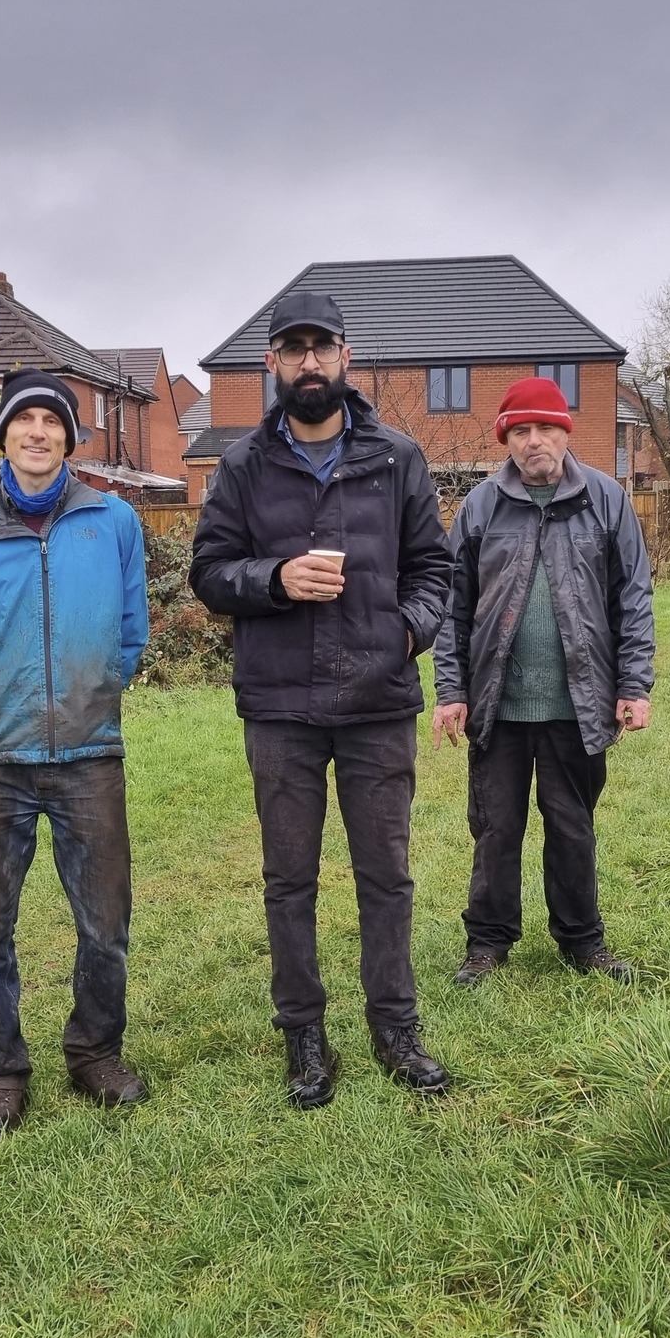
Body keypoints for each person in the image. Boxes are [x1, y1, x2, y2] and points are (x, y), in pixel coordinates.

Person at [188, 291, 453, 1109]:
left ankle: (395, 1025)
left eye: (322, 347)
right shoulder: (241, 466)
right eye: (293, 348)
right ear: (272, 362)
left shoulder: (397, 457)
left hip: (378, 702)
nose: (309, 362)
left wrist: (403, 634)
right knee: (288, 879)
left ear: (346, 357)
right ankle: (303, 1032)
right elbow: (208, 573)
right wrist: (272, 579)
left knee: (387, 875)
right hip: (279, 706)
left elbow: (435, 572)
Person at [0, 369, 150, 1140]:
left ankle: (95, 1053)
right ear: (1, 435)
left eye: (52, 422)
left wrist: (93, 692)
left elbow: (130, 628)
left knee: (105, 922)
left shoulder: (114, 521)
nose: (37, 433)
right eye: (23, 420)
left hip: (92, 750)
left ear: (69, 436)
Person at [431, 376, 654, 985]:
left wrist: (635, 685)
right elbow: (451, 607)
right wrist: (451, 692)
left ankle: (582, 941)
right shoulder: (480, 506)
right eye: (521, 430)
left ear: (566, 431)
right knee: (495, 829)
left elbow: (632, 597)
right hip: (496, 704)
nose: (535, 441)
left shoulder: (606, 500)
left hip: (578, 703)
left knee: (573, 828)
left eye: (546, 428)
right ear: (505, 438)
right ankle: (488, 942)